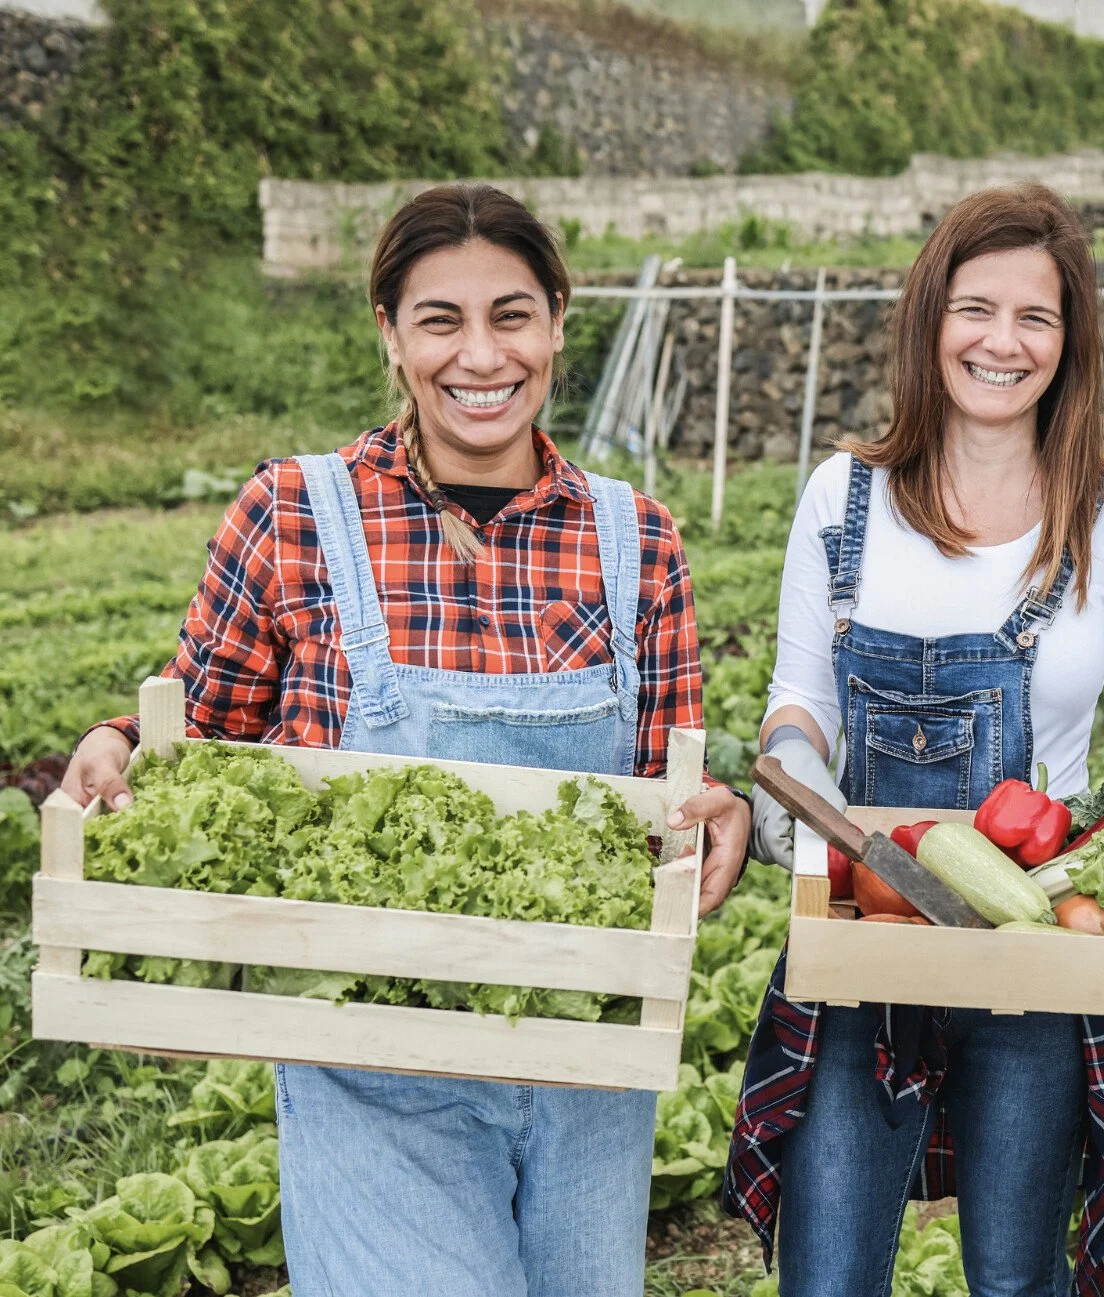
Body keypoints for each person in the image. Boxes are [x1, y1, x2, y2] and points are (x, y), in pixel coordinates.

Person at [59, 182, 752, 1296]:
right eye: (441, 320)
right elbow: (198, 725)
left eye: (512, 314)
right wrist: (114, 745)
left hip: (588, 1066)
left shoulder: (637, 539)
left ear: (560, 319)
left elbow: (662, 790)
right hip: (372, 1067)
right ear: (390, 334)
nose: (481, 355)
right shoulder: (294, 512)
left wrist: (721, 814)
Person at [723, 184, 1104, 1297]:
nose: (1002, 341)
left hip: (1038, 949)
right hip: (860, 937)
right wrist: (797, 773)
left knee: (1016, 1279)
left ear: (1070, 342)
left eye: (1036, 316)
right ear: (930, 319)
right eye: (975, 308)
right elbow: (800, 701)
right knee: (826, 1278)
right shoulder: (844, 500)